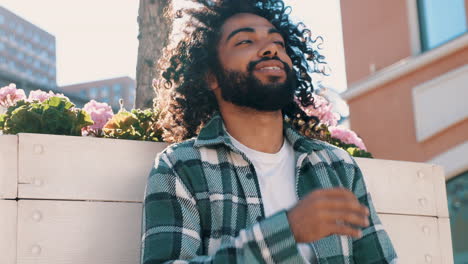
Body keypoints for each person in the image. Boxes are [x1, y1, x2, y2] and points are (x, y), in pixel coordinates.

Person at [141, 0, 397, 263]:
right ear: (210, 76)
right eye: (245, 42)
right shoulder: (181, 166)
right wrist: (283, 234)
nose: (270, 49)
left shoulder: (337, 166)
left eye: (279, 43)